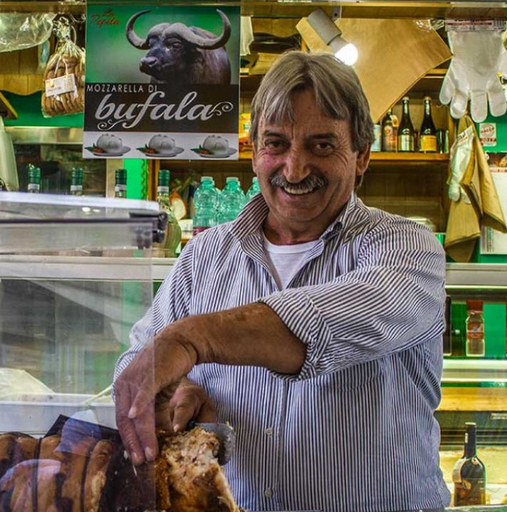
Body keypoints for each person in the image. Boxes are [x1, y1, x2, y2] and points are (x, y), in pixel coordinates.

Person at [113, 51, 450, 512]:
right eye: (276, 143)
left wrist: (191, 339)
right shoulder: (203, 257)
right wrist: (172, 393)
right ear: (254, 152)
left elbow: (326, 323)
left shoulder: (408, 249)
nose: (295, 169)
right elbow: (137, 362)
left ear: (362, 156)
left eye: (322, 145)